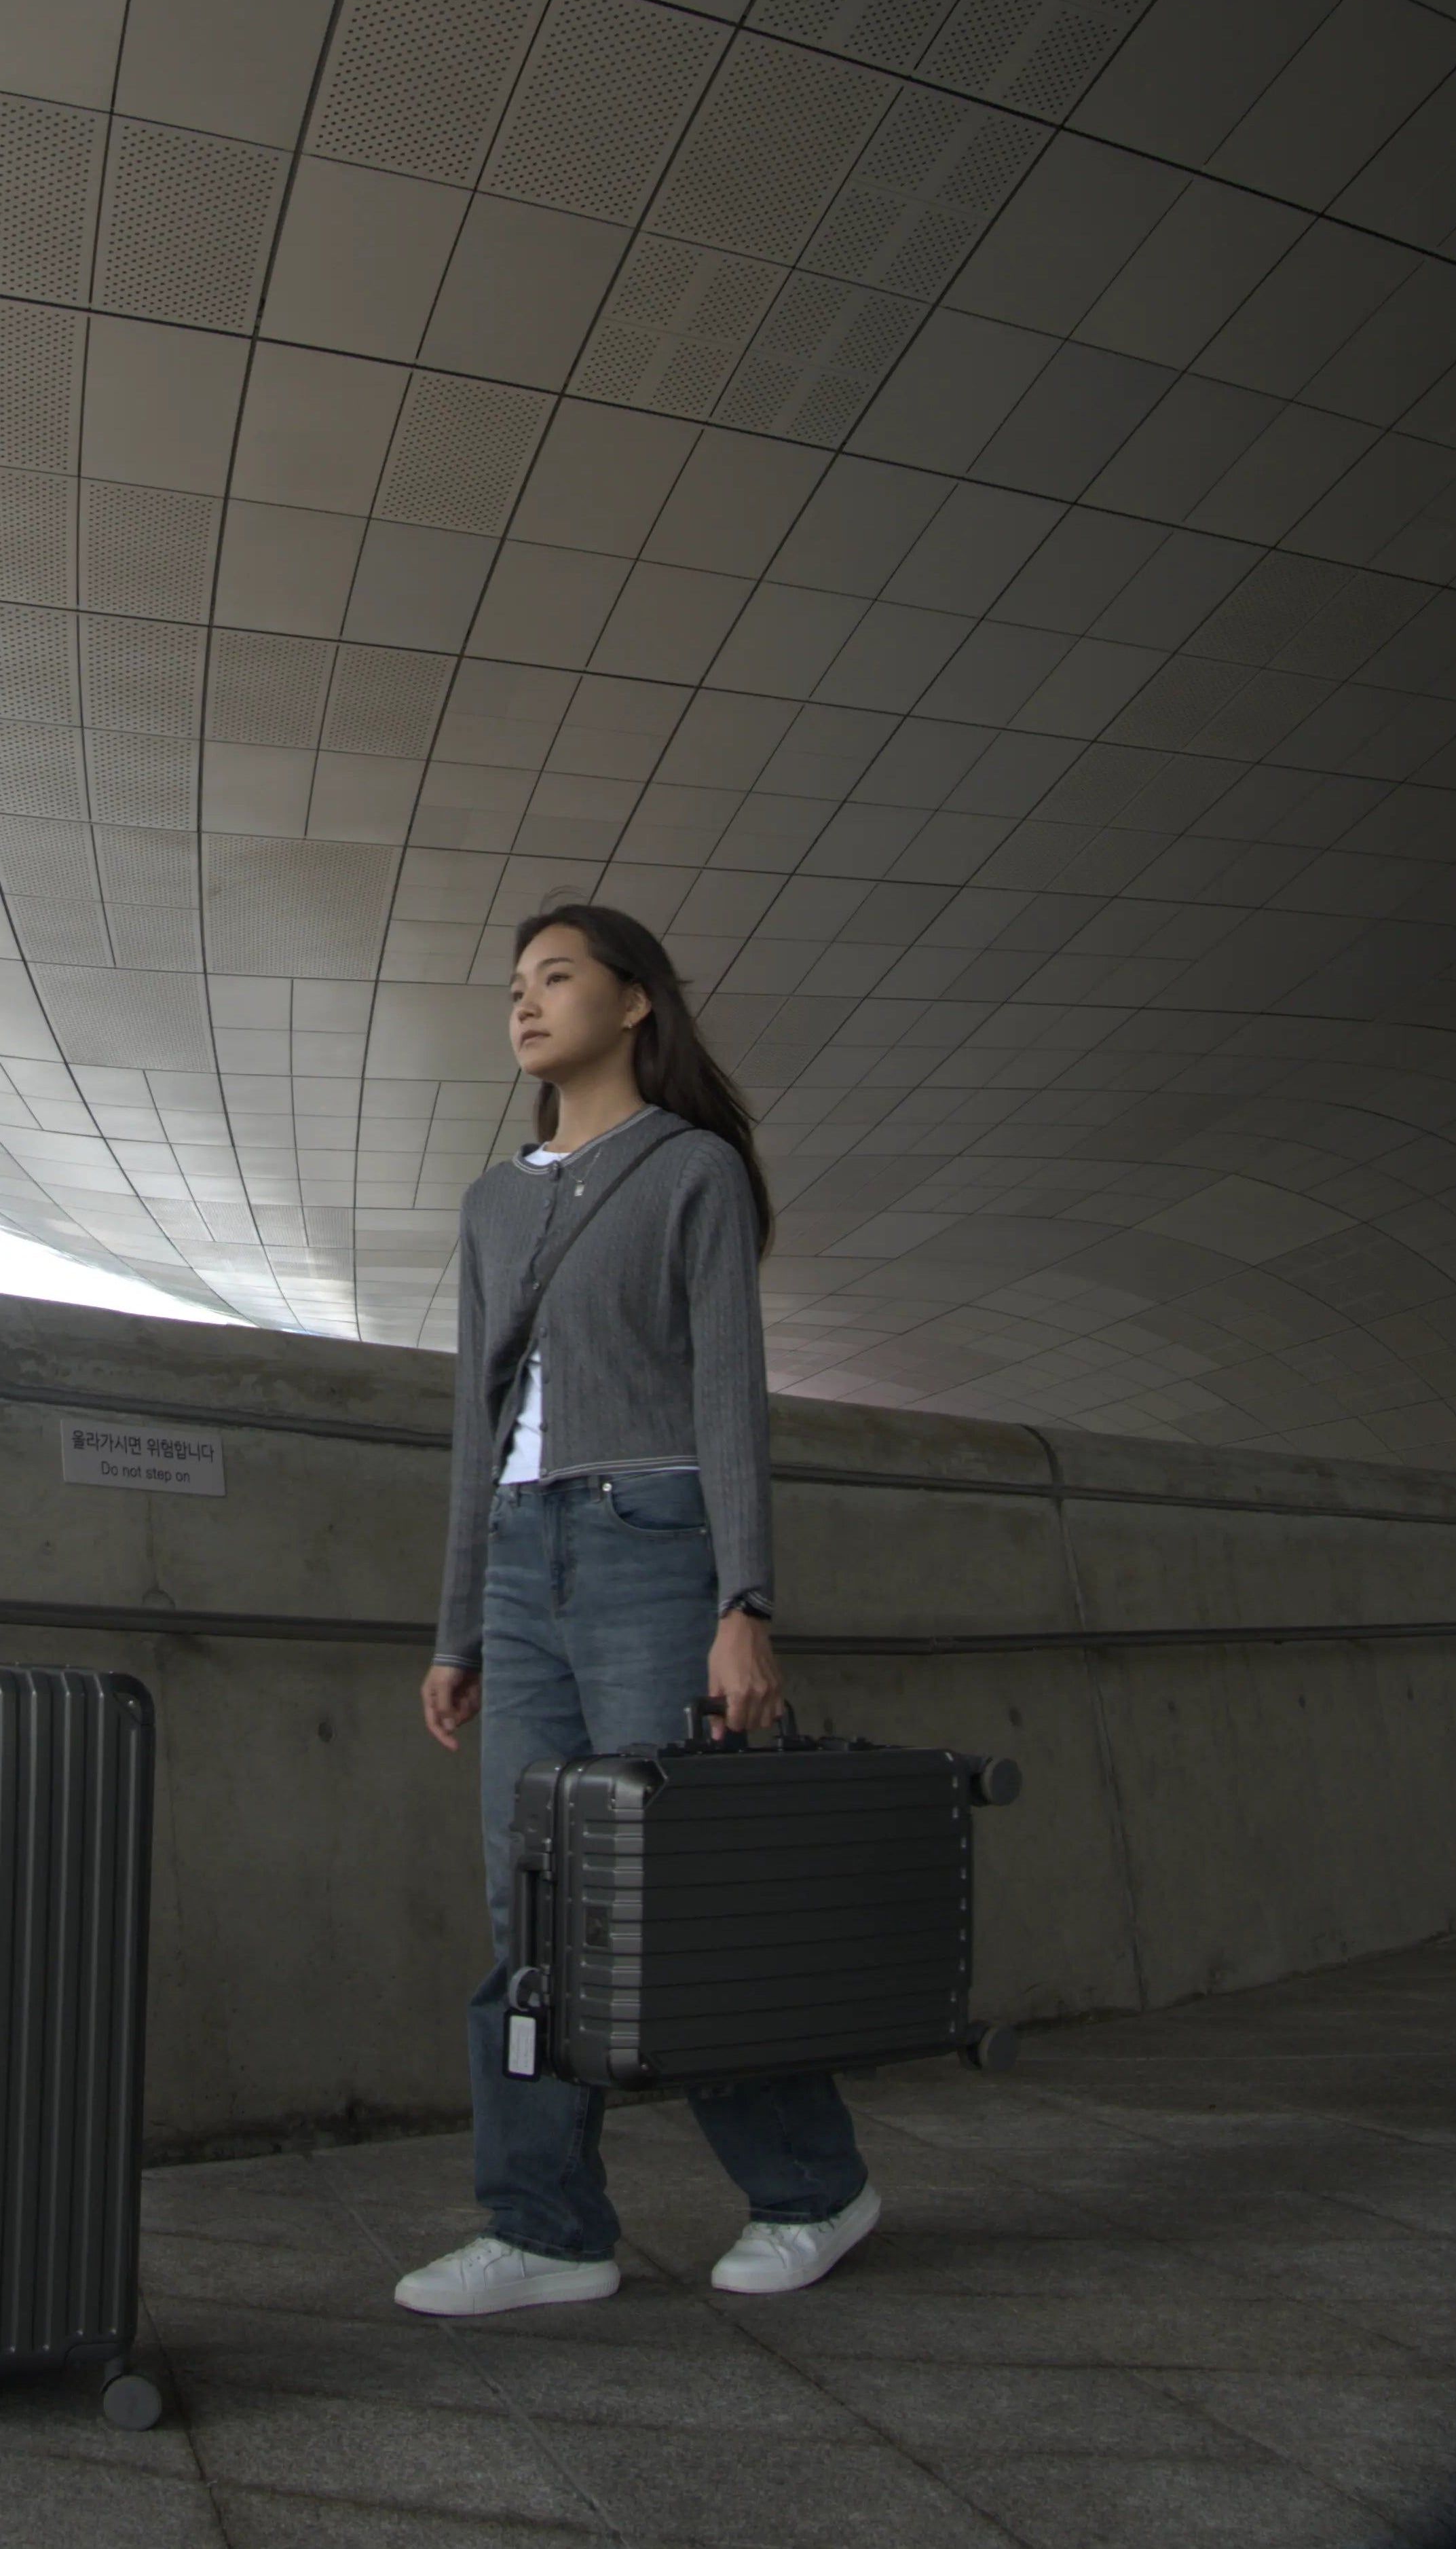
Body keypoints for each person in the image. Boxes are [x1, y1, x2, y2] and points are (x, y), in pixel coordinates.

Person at [394, 904, 877, 2319]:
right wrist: (457, 1629)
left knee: (678, 1885)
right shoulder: (494, 1202)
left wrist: (745, 1601)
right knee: (529, 1905)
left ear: (636, 1003)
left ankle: (813, 2187)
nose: (525, 1003)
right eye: (516, 985)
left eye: (558, 977)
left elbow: (729, 1395)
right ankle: (546, 2227)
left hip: (651, 1542)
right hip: (520, 1557)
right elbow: (476, 1425)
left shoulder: (691, 1170)